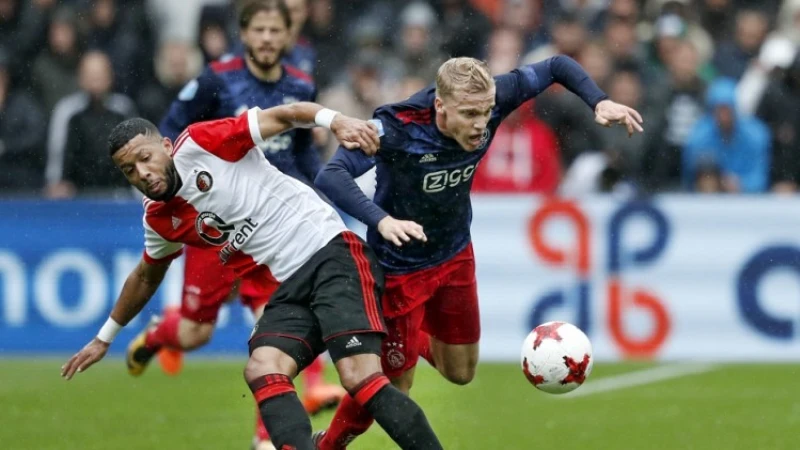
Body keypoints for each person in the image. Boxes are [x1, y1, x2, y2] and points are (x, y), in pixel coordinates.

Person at [61, 102, 444, 450]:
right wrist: (103, 338)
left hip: (330, 252)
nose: (142, 173)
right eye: (129, 170)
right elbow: (146, 276)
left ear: (164, 145)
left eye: (145, 158)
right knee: (263, 366)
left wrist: (335, 121)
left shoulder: (200, 143)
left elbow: (283, 115)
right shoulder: (159, 219)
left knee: (359, 377)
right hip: (290, 284)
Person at [313, 55, 643, 448]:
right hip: (399, 268)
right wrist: (381, 219)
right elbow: (330, 175)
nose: (480, 124)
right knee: (393, 389)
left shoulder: (495, 95)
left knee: (461, 372)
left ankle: (399, 338)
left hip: (454, 255)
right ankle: (325, 445)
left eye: (485, 112)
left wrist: (598, 101)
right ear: (440, 106)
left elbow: (556, 65)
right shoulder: (396, 128)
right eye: (468, 114)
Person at [148, 4, 343, 448]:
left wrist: (320, 189)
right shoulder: (217, 79)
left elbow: (301, 154)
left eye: (277, 29)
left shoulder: (300, 83)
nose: (269, 38)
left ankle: (268, 437)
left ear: (288, 34)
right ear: (244, 34)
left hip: (273, 225)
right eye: (260, 29)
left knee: (279, 327)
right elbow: (168, 134)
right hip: (216, 224)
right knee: (195, 332)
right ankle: (158, 334)